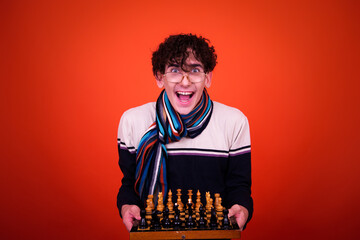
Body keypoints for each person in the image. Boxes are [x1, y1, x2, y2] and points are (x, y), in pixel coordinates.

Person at [117, 33, 253, 232]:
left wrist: (242, 208)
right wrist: (127, 206)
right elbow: (129, 184)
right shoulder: (133, 121)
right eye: (174, 70)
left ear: (208, 77)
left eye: (195, 70)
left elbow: (239, 186)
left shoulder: (234, 121)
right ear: (158, 77)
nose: (185, 81)